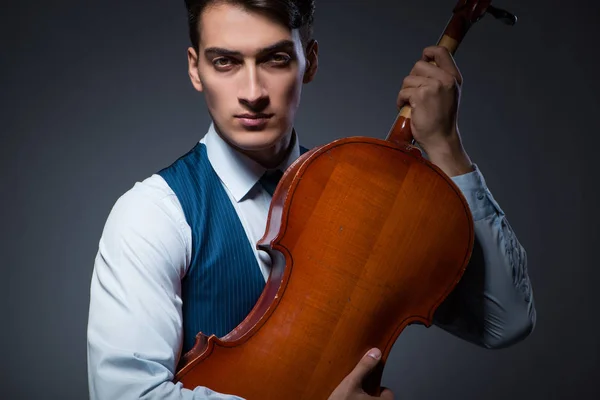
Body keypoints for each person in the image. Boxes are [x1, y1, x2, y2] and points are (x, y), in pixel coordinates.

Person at [86, 1, 537, 399]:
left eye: (276, 59)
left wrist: (445, 148)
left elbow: (505, 323)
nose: (253, 92)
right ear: (194, 68)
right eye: (225, 62)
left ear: (311, 61)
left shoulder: (362, 201)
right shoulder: (152, 213)